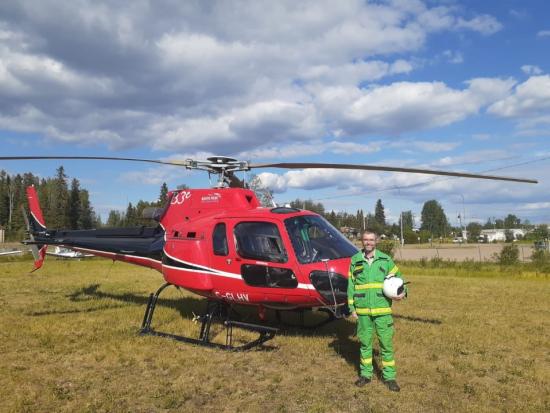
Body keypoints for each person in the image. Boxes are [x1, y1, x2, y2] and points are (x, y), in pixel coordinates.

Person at [348, 230, 407, 392]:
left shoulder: (385, 260)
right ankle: (366, 375)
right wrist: (352, 307)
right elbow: (351, 286)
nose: (368, 242)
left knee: (386, 345)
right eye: (365, 240)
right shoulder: (355, 261)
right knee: (365, 344)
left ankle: (389, 377)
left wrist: (403, 292)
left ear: (376, 241)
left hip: (382, 311)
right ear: (362, 241)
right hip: (363, 312)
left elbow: (400, 279)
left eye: (371, 240)